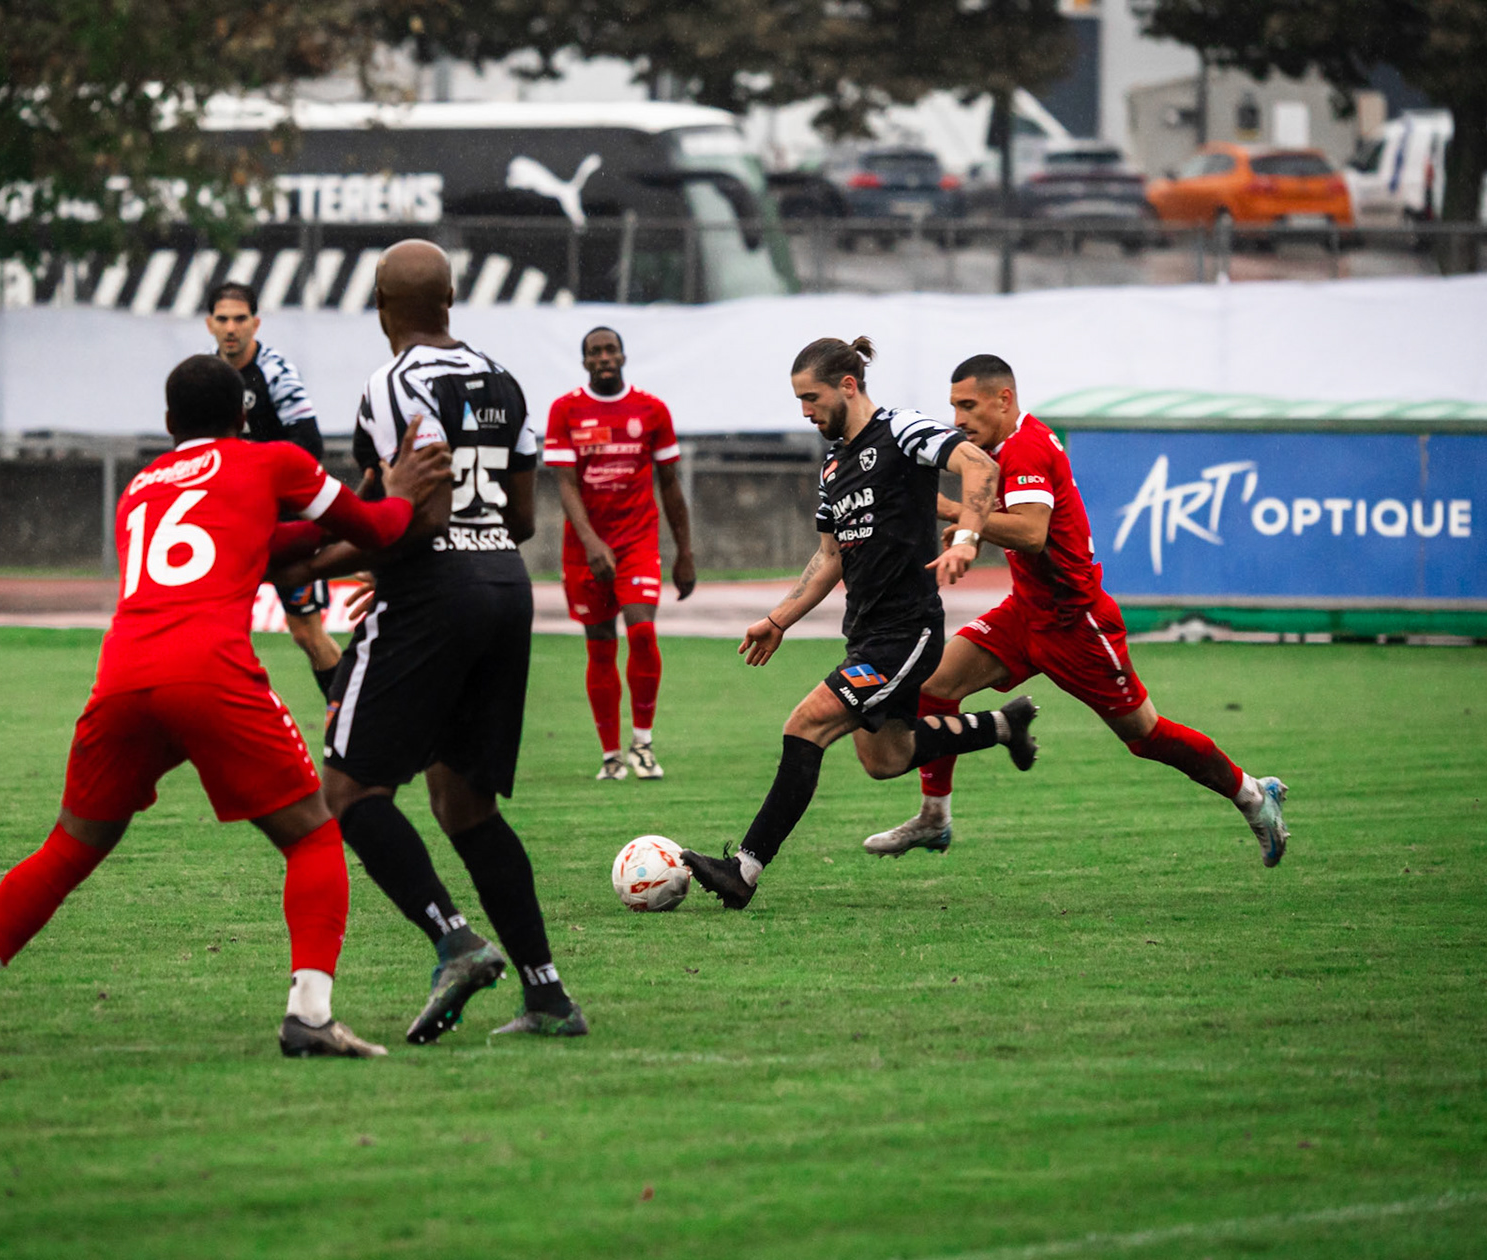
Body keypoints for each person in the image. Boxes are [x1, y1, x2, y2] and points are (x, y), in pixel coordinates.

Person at [0, 355, 451, 1058]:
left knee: (67, 846)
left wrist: (337, 519)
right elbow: (377, 529)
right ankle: (310, 1016)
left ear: (168, 425)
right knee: (313, 835)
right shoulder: (270, 460)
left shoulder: (138, 489)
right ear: (244, 419)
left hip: (123, 674)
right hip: (208, 670)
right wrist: (396, 491)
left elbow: (248, 540)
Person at [293, 239, 586, 1040]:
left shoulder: (391, 387)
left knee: (349, 793)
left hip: (432, 593)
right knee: (465, 802)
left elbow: (405, 515)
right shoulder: (504, 380)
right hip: (504, 585)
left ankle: (454, 940)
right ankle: (549, 995)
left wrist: (314, 556)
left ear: (381, 307)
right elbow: (524, 518)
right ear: (453, 299)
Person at [862, 354, 1290, 865]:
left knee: (1145, 736)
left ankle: (1252, 795)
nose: (957, 419)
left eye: (968, 405)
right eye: (953, 406)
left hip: (1077, 624)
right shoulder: (1001, 448)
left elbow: (1031, 532)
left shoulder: (1023, 449)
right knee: (934, 686)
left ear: (1005, 399)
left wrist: (958, 514)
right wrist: (967, 529)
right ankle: (935, 817)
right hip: (1026, 613)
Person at [682, 337, 1038, 911]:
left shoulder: (902, 429)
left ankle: (742, 869)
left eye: (811, 397)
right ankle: (1002, 725)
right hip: (866, 633)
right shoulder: (834, 466)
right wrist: (779, 620)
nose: (805, 411)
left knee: (806, 725)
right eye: (798, 400)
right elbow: (829, 557)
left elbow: (979, 464)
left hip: (908, 631)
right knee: (886, 759)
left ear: (848, 385)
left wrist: (969, 537)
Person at [543, 326, 696, 781]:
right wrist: (591, 543)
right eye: (595, 352)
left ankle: (643, 745)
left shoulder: (651, 410)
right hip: (584, 547)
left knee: (643, 633)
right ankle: (611, 755)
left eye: (610, 349)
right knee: (600, 646)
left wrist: (684, 551)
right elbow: (565, 484)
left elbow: (669, 483)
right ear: (585, 361)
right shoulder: (565, 410)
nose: (604, 357)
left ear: (624, 356)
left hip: (637, 542)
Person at [206, 281, 343, 700]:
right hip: (228, 525)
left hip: (281, 525)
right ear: (209, 323)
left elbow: (309, 446)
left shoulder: (276, 373)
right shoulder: (206, 376)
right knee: (214, 632)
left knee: (307, 634)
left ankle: (348, 719)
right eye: (223, 319)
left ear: (256, 322)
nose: (232, 328)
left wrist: (261, 484)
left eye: (240, 319)